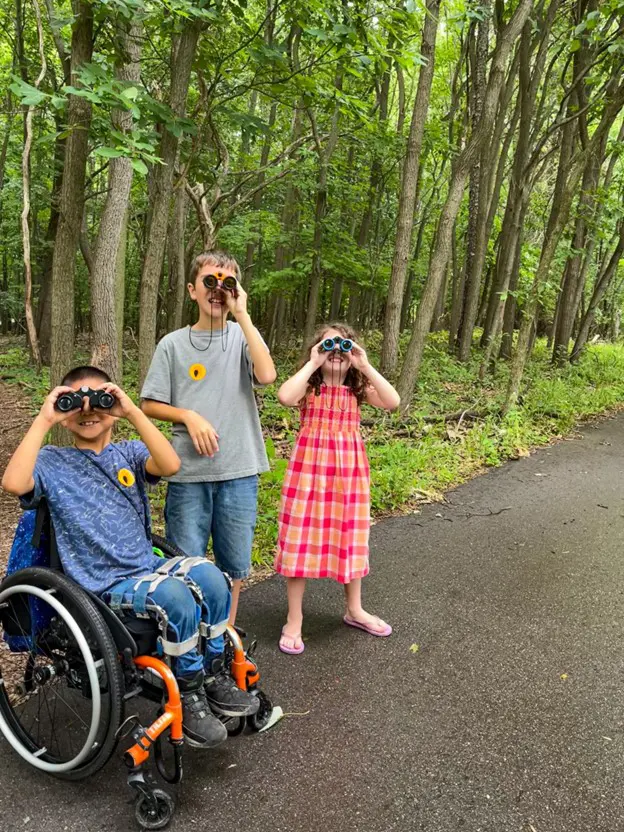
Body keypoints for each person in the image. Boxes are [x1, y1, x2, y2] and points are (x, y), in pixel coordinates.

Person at [1, 365, 259, 749]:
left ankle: (212, 675)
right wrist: (43, 419)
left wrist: (132, 412)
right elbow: (13, 483)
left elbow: (170, 465)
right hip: (102, 585)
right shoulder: (53, 463)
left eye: (100, 401)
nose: (88, 410)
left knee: (212, 576)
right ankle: (188, 695)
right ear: (64, 414)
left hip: (147, 568)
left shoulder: (130, 453)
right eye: (75, 402)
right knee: (173, 597)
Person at [141, 250, 276, 624]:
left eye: (227, 283)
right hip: (187, 472)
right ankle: (190, 636)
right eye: (210, 282)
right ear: (192, 290)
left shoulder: (241, 335)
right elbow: (150, 403)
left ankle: (225, 636)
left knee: (235, 565)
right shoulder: (172, 344)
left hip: (238, 468)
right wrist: (188, 415)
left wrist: (243, 314)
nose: (218, 290)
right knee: (184, 563)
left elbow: (266, 375)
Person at [274, 323, 400, 654]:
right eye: (328, 346)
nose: (336, 352)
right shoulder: (309, 387)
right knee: (300, 537)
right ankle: (294, 617)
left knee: (350, 536)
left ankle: (354, 608)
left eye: (343, 347)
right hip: (309, 472)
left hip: (349, 475)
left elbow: (392, 401)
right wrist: (314, 362)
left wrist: (364, 364)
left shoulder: (358, 390)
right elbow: (285, 396)